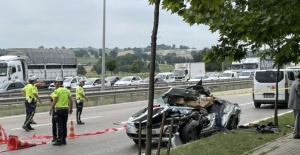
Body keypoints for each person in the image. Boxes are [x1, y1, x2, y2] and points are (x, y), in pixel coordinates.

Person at [49, 77, 73, 146]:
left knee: (58, 125)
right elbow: (71, 100)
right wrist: (70, 109)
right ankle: (63, 140)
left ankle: (58, 139)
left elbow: (54, 100)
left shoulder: (57, 91)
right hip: (65, 110)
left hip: (58, 110)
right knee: (64, 125)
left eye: (55, 82)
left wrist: (51, 109)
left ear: (59, 83)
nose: (55, 83)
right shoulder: (67, 90)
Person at [288, 73, 300, 139]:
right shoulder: (298, 84)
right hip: (297, 105)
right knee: (297, 120)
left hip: (295, 104)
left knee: (297, 119)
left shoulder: (294, 82)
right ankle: (296, 134)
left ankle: (297, 133)